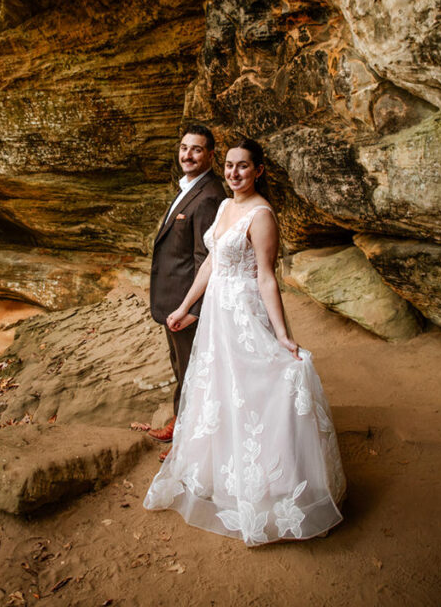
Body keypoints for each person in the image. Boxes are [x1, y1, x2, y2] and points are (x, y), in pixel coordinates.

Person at [144, 138, 345, 545]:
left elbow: (267, 277)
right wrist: (185, 307)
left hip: (244, 311)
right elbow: (213, 264)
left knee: (255, 391)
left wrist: (284, 334)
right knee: (218, 388)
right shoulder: (222, 206)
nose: (234, 173)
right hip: (217, 311)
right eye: (230, 166)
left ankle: (272, 486)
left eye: (243, 167)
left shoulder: (262, 214)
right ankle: (223, 474)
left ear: (259, 171)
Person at [148, 125, 227, 459]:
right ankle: (181, 422)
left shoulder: (210, 196)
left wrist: (193, 307)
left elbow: (205, 258)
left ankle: (188, 440)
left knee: (193, 369)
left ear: (210, 155)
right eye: (184, 148)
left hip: (187, 303)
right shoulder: (188, 186)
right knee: (180, 365)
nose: (187, 155)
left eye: (196, 149)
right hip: (173, 300)